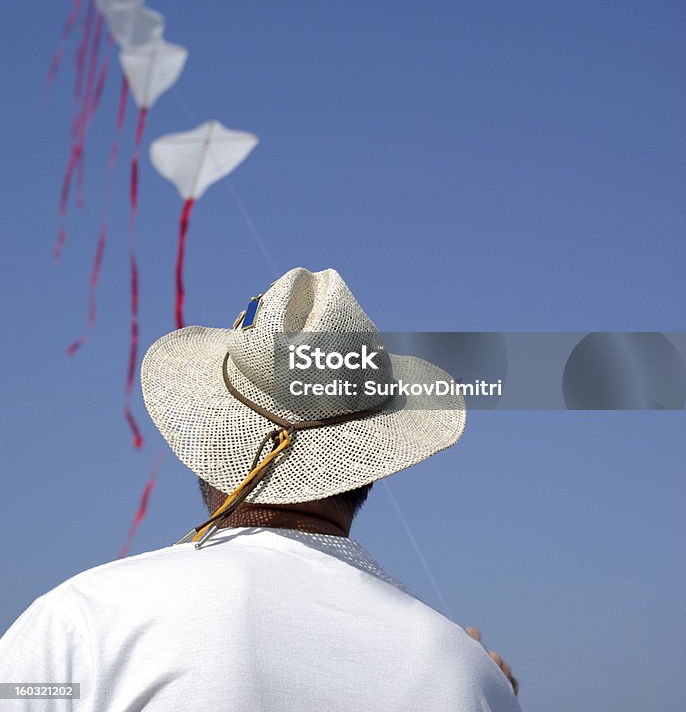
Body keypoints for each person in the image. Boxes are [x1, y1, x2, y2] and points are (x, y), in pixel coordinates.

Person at [0, 267, 521, 710]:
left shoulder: (82, 626)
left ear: (209, 443)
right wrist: (488, 687)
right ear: (367, 467)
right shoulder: (463, 676)